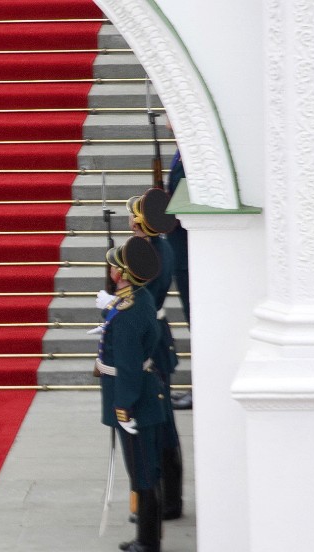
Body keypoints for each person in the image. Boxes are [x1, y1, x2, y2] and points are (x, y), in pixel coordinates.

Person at [95, 236, 166, 552]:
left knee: (142, 472)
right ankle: (147, 538)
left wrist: (122, 405)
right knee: (145, 468)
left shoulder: (127, 312)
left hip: (134, 401)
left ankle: (147, 542)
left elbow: (128, 366)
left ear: (119, 273)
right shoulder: (138, 298)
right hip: (146, 395)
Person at [125, 189, 184, 520]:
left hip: (149, 347)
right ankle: (170, 499)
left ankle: (156, 501)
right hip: (160, 341)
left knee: (152, 427)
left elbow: (138, 303)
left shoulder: (148, 257)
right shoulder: (161, 249)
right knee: (164, 425)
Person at [163, 117, 192, 411]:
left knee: (197, 319)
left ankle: (203, 386)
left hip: (187, 252)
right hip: (179, 251)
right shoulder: (180, 150)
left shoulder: (191, 154)